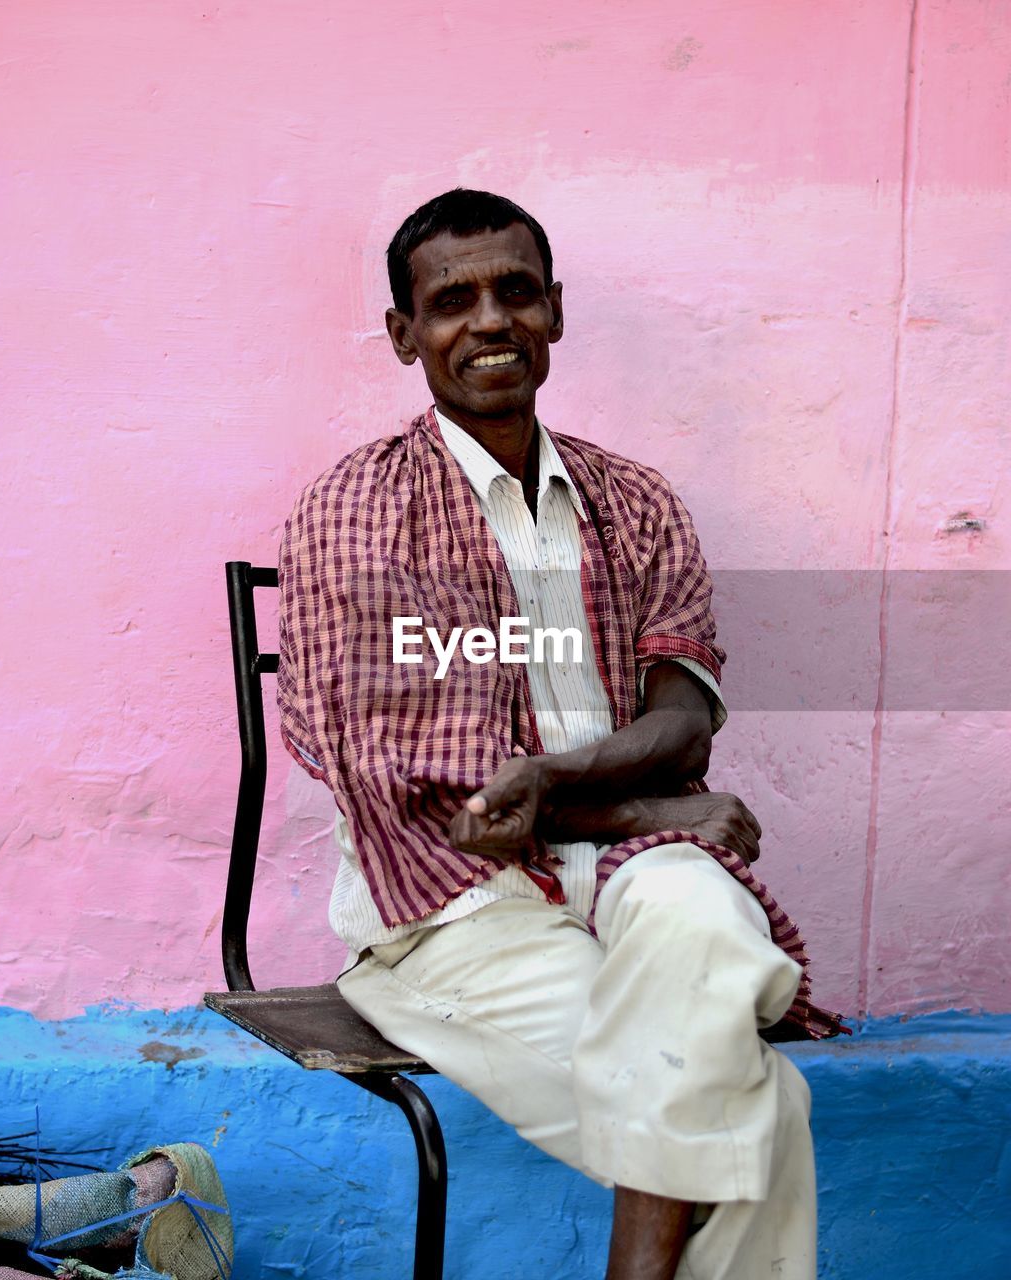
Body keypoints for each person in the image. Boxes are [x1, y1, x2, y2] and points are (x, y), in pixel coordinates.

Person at [277, 188, 845, 1280]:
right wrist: (646, 804)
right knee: (762, 1112)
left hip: (627, 867)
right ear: (405, 335)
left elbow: (679, 724)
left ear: (555, 313)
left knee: (703, 915)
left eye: (515, 291)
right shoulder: (360, 509)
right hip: (450, 908)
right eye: (452, 300)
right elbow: (433, 791)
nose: (488, 320)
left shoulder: (634, 501)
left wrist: (576, 786)